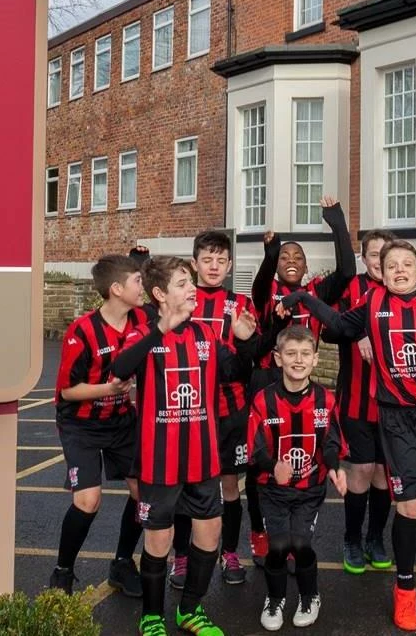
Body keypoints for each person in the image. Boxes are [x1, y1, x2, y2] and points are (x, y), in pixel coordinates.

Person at [276, 241, 416, 632]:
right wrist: (301, 296)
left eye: (407, 264)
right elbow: (334, 323)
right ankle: (405, 591)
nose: (399, 269)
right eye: (391, 264)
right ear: (382, 272)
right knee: (409, 506)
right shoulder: (372, 304)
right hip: (397, 420)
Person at [108, 256, 261, 636]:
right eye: (182, 283)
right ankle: (153, 615)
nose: (192, 288)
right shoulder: (141, 331)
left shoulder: (207, 335)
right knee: (159, 540)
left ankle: (190, 610)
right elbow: (120, 369)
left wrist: (246, 343)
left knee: (208, 536)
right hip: (159, 463)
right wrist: (161, 329)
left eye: (191, 282)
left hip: (204, 459)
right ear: (159, 294)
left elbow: (236, 372)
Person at [247, 197, 354, 565]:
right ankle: (260, 532)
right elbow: (261, 282)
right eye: (284, 258)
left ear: (307, 266)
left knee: (300, 458)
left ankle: (292, 536)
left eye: (297, 258)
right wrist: (269, 251)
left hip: (304, 392)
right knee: (261, 462)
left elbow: (347, 272)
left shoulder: (314, 293)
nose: (291, 262)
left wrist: (336, 221)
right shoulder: (265, 293)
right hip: (267, 382)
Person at [48, 254, 150, 598]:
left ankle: (122, 563)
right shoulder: (83, 330)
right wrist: (109, 388)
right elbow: (67, 390)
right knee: (88, 501)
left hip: (121, 420)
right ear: (117, 289)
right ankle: (63, 571)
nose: (143, 287)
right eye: (137, 280)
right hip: (82, 424)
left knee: (143, 494)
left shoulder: (142, 320)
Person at [166, 231, 263, 588]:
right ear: (194, 264)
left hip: (230, 409)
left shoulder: (240, 303)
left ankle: (230, 552)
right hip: (186, 410)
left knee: (229, 485)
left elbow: (253, 358)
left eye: (220, 260)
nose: (213, 266)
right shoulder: (181, 303)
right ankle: (181, 557)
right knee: (182, 484)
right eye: (207, 259)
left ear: (230, 265)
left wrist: (245, 338)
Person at [248, 325, 348, 631]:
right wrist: (270, 463)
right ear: (278, 358)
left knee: (301, 544)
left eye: (305, 354)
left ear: (316, 359)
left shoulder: (326, 400)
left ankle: (309, 596)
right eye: (291, 353)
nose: (298, 360)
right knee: (277, 548)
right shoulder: (263, 401)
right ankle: (275, 599)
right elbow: (253, 447)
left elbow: (331, 441)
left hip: (310, 489)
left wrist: (334, 467)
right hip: (273, 491)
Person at [330, 229, 399, 574]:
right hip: (356, 398)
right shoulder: (352, 288)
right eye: (374, 254)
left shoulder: (402, 290)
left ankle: (376, 537)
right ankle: (352, 538)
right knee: (361, 470)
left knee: (384, 476)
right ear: (364, 257)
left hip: (392, 405)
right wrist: (355, 332)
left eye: (386, 254)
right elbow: (330, 326)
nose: (380, 261)